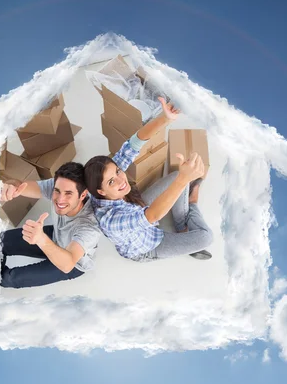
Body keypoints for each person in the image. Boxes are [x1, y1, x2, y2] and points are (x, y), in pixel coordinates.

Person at [84, 98, 213, 262]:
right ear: (101, 191)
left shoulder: (98, 187)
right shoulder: (111, 220)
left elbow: (134, 143)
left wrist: (165, 118)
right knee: (206, 238)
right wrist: (184, 179)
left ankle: (181, 227)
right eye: (111, 182)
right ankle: (192, 202)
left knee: (175, 176)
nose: (120, 179)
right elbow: (152, 216)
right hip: (149, 245)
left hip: (137, 208)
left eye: (117, 171)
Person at [0, 162, 102, 288]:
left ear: (83, 195)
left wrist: (41, 240)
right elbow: (22, 186)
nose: (60, 199)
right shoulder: (60, 186)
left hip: (72, 263)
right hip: (55, 236)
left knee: (8, 279)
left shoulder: (89, 226)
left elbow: (67, 264)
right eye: (57, 191)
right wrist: (11, 186)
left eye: (68, 194)